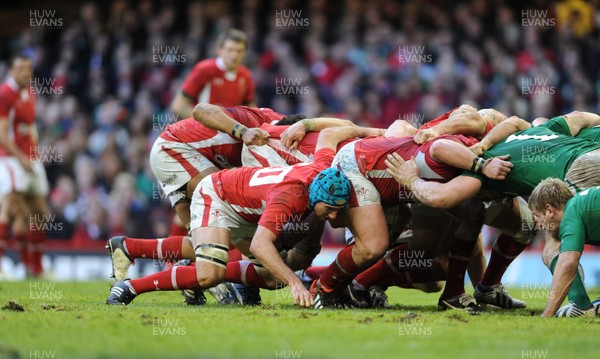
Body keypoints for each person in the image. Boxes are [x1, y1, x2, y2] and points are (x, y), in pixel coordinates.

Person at [106, 125, 384, 307]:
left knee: (269, 275)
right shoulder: (289, 199)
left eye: (339, 208)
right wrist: (296, 283)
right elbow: (259, 245)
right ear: (315, 198)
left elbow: (329, 135)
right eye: (330, 209)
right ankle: (130, 287)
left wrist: (377, 133)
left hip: (246, 207)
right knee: (209, 274)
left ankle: (129, 246)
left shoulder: (323, 169)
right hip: (215, 195)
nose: (335, 216)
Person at [385, 112, 600, 310]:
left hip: (579, 169)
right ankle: (487, 287)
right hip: (590, 153)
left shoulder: (482, 170)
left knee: (553, 243)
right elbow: (519, 121)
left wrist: (411, 179)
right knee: (530, 225)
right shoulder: (535, 130)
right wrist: (483, 144)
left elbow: (442, 196)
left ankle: (580, 306)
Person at [311, 132, 513, 309]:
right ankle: (325, 287)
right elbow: (442, 144)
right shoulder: (461, 142)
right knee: (373, 246)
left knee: (436, 258)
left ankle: (453, 294)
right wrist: (483, 165)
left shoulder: (467, 157)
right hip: (358, 166)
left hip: (402, 184)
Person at [0, 53, 49, 277]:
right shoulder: (5, 94)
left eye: (28, 69)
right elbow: (1, 134)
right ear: (11, 70)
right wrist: (21, 158)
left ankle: (35, 269)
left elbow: (30, 127)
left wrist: (35, 152)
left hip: (30, 157)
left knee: (39, 213)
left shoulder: (29, 92)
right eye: (20, 69)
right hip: (10, 158)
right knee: (10, 208)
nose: (26, 73)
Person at [528, 178, 600, 317]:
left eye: (537, 215)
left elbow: (568, 263)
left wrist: (547, 314)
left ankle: (581, 307)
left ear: (549, 210)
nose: (538, 225)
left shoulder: (571, 213)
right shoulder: (581, 205)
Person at [170, 28, 255, 118]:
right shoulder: (204, 70)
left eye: (239, 51)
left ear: (245, 52)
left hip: (232, 130)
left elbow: (251, 109)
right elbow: (178, 106)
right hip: (205, 130)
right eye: (230, 50)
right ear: (219, 49)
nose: (234, 55)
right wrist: (204, 122)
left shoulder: (246, 75)